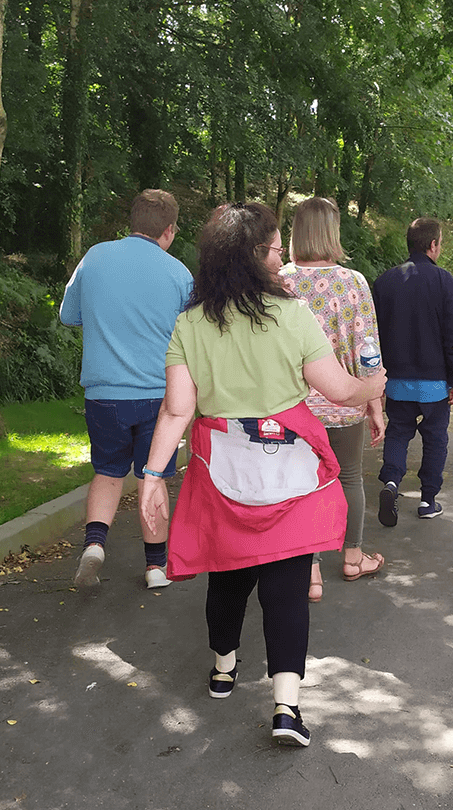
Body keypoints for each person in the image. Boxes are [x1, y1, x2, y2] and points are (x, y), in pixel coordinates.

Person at [139, 203, 385, 748]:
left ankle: (224, 668)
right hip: (289, 469)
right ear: (256, 256)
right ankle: (286, 708)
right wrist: (375, 386)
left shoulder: (190, 324)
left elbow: (178, 411)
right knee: (288, 588)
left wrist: (152, 477)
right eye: (276, 249)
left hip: (223, 468)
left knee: (227, 575)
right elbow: (341, 390)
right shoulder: (293, 317)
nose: (281, 258)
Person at [60, 189, 193, 590]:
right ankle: (155, 567)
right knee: (153, 476)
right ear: (168, 230)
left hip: (103, 392)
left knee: (107, 471)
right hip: (158, 395)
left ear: (131, 222)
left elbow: (69, 315)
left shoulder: (95, 257)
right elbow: (192, 337)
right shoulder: (179, 273)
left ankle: (95, 544)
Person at [279, 198, 386, 602]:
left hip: (292, 406)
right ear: (333, 231)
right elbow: (367, 349)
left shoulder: (280, 281)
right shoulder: (354, 282)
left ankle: (310, 573)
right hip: (344, 401)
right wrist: (374, 405)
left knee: (301, 485)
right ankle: (353, 557)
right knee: (349, 478)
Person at [371, 217, 453, 525]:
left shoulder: (384, 282)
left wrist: (378, 380)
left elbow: (374, 334)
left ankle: (392, 483)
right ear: (433, 245)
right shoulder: (444, 281)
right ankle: (427, 500)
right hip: (435, 383)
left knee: (398, 433)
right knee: (435, 438)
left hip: (396, 380)